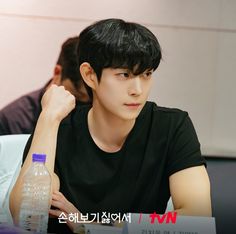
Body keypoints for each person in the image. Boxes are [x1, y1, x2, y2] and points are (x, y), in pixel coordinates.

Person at [10, 18, 212, 233]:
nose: (137, 90)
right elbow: (26, 216)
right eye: (124, 75)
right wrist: (48, 117)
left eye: (146, 74)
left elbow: (197, 219)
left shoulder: (172, 126)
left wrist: (90, 226)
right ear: (89, 75)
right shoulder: (60, 128)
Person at [0, 36, 90, 135]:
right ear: (57, 72)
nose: (83, 108)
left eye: (90, 101)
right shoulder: (13, 120)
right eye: (76, 97)